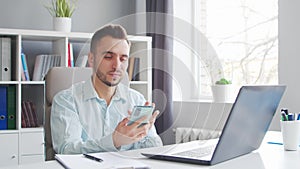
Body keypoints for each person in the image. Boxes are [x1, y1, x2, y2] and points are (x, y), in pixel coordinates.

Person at [51, 24, 163, 154]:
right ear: (92, 59)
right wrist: (114, 141)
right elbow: (67, 150)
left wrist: (147, 133)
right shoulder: (66, 100)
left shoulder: (137, 99)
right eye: (108, 57)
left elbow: (154, 150)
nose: (117, 65)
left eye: (123, 58)